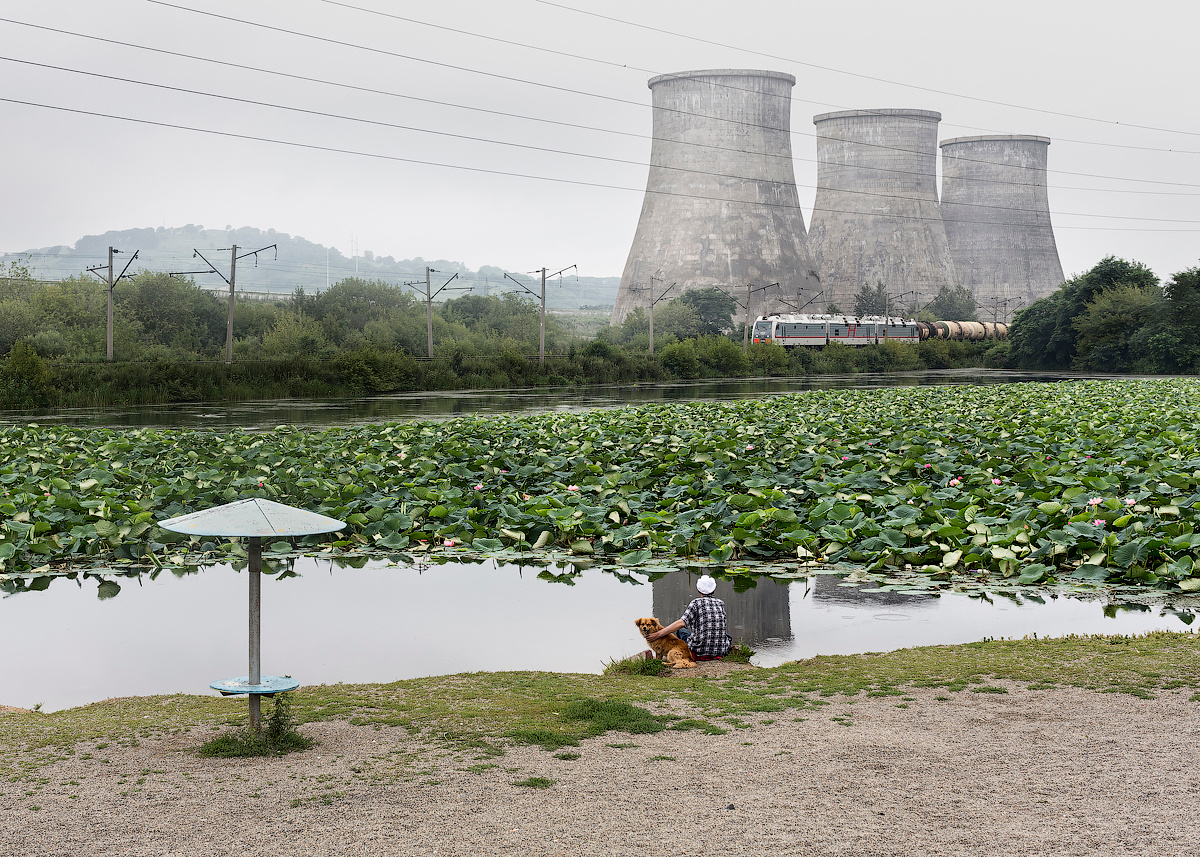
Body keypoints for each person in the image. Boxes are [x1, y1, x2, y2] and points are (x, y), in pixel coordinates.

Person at [647, 574, 733, 661]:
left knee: (681, 631)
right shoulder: (720, 603)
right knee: (725, 634)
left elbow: (681, 623)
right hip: (721, 651)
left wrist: (658, 634)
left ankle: (677, 654)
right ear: (714, 590)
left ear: (698, 590)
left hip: (699, 652)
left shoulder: (695, 603)